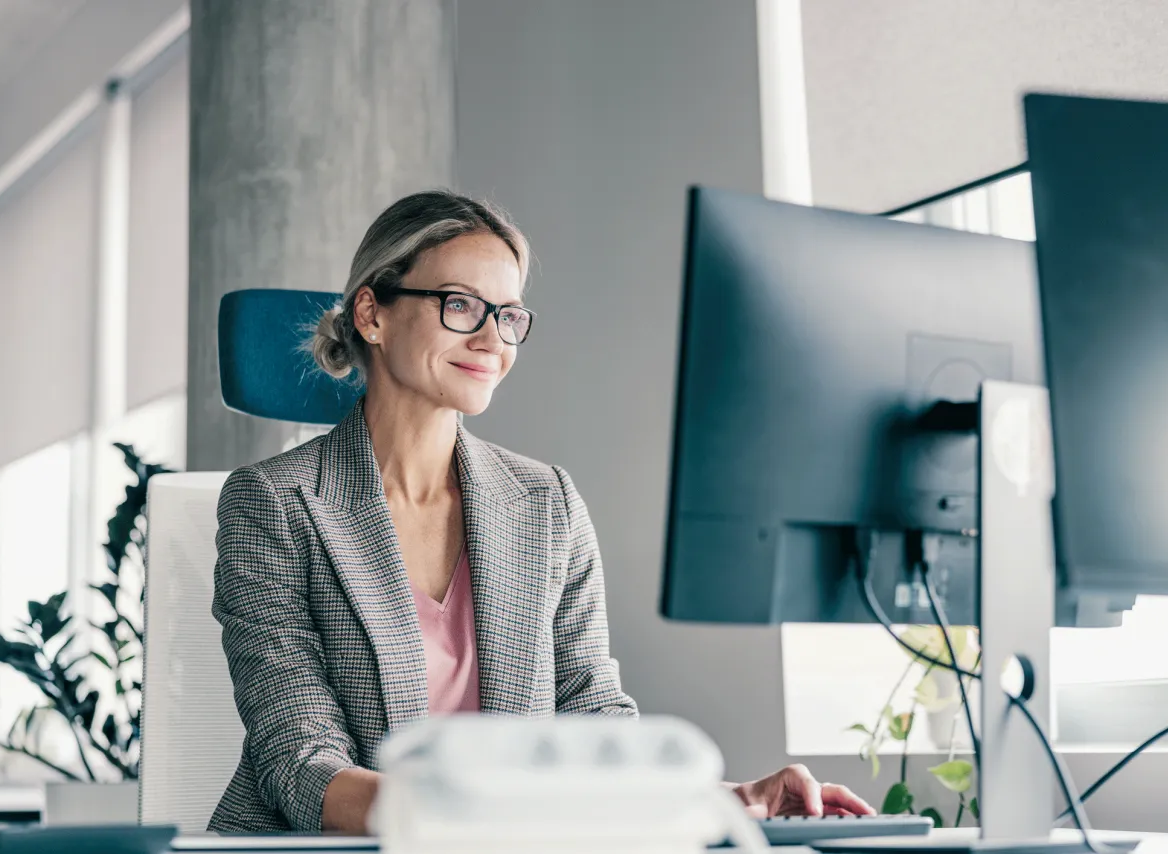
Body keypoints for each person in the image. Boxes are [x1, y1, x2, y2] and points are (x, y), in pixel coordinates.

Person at [208, 190, 875, 834]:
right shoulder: (274, 503)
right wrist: (491, 818)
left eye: (509, 316)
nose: (492, 340)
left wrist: (731, 800)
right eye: (460, 305)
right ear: (371, 314)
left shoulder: (545, 503)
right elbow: (299, 761)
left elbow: (593, 722)